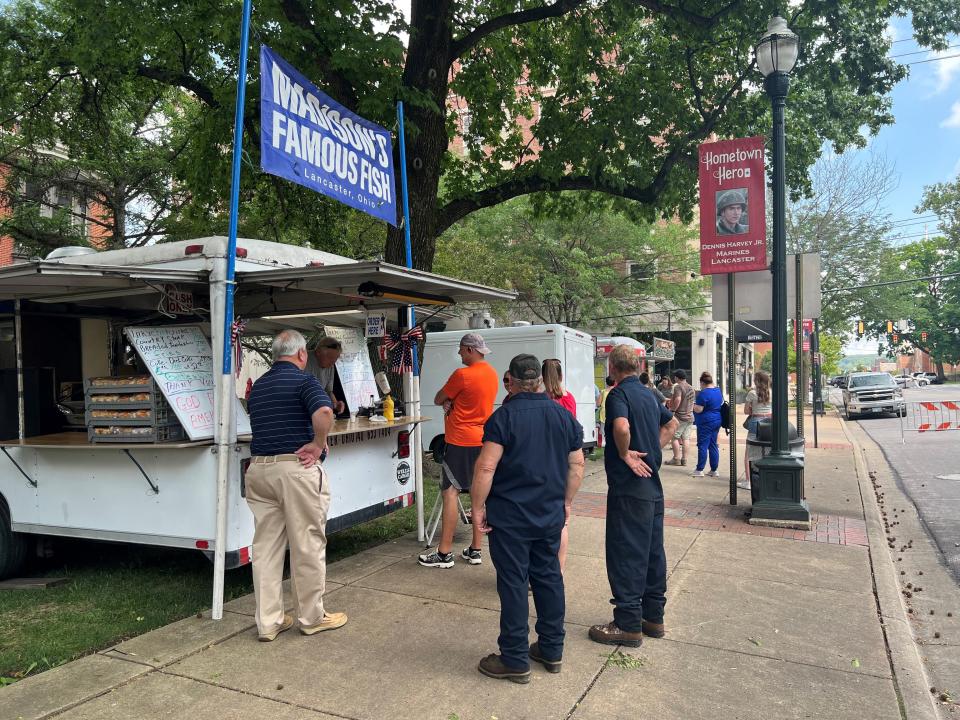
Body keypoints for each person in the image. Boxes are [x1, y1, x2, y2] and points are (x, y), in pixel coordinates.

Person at [471, 354, 584, 682]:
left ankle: (515, 658)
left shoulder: (503, 418)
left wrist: (478, 508)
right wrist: (566, 501)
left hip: (510, 518)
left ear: (512, 380)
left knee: (514, 583)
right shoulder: (563, 416)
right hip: (548, 514)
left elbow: (486, 466)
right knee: (549, 578)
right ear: (539, 381)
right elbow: (577, 465)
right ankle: (551, 649)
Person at [245, 329, 347, 641]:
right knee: (307, 544)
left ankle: (269, 621)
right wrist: (319, 443)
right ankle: (312, 617)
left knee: (266, 549)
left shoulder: (259, 387)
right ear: (302, 354)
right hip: (295, 469)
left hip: (259, 471)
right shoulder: (304, 381)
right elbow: (325, 411)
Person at [589, 344, 677, 647]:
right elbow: (672, 423)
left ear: (612, 368)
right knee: (654, 553)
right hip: (653, 488)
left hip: (628, 489)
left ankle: (627, 624)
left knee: (626, 553)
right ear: (639, 366)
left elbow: (622, 426)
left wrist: (626, 454)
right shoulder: (650, 393)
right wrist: (654, 450)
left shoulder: (619, 395)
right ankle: (654, 617)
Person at [419, 332, 499, 568]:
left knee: (450, 492)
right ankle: (476, 548)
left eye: (461, 349)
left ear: (470, 350)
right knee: (478, 496)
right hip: (483, 439)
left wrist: (449, 402)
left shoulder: (462, 375)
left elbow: (438, 398)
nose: (459, 353)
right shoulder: (492, 374)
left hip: (460, 440)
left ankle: (444, 552)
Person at [542, 357, 577, 574]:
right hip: (563, 463)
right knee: (562, 521)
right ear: (561, 375)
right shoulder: (569, 399)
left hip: (541, 462)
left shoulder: (539, 400)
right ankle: (559, 569)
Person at [741, 370, 772, 489]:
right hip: (769, 423)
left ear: (757, 380)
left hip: (755, 422)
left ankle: (749, 481)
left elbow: (746, 411)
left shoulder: (752, 393)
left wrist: (752, 408)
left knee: (749, 453)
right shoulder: (771, 392)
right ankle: (765, 478)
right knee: (766, 451)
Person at [692, 371, 723, 478]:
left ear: (702, 382)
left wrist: (693, 406)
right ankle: (714, 470)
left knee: (703, 445)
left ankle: (699, 469)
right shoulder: (718, 391)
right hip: (717, 420)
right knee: (713, 445)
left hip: (705, 422)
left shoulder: (703, 393)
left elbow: (699, 409)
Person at [305, 336, 347, 415]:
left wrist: (336, 403)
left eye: (335, 359)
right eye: (331, 358)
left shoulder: (330, 366)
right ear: (318, 352)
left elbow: (328, 391)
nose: (333, 363)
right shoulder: (304, 360)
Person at [664, 369, 695, 466]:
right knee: (686, 439)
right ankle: (684, 460)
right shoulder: (691, 388)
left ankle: (676, 458)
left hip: (680, 416)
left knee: (674, 437)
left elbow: (678, 399)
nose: (674, 378)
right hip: (689, 416)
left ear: (677, 377)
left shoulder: (678, 387)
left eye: (675, 377)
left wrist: (672, 410)